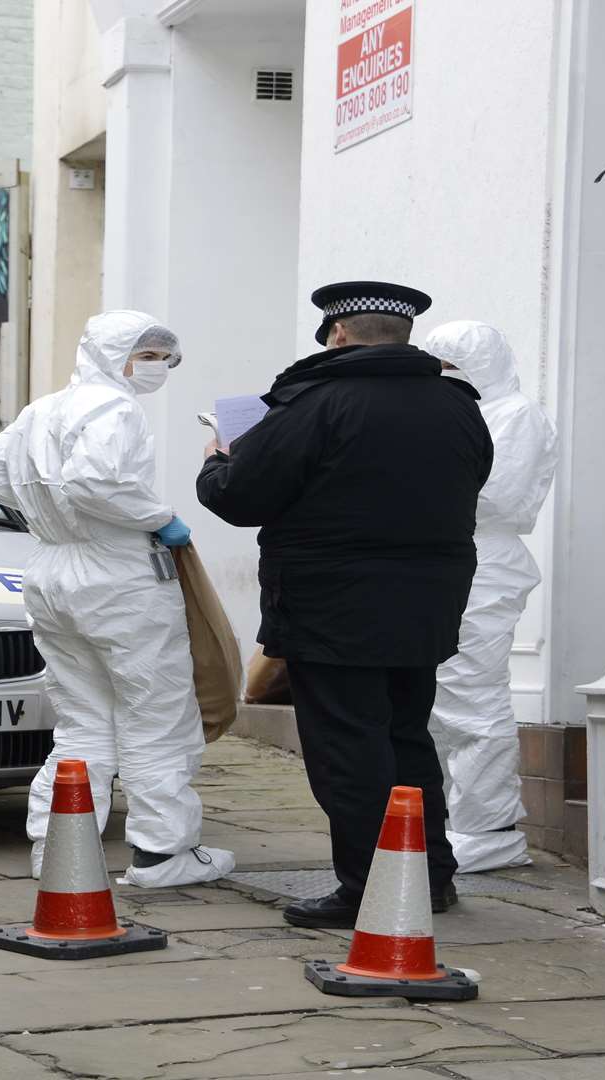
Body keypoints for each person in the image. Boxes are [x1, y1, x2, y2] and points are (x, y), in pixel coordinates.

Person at [196, 282, 491, 928]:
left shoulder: (313, 402)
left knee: (348, 751)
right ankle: (429, 877)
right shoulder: (458, 405)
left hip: (333, 611)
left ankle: (368, 889)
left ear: (336, 334)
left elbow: (240, 497)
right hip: (426, 608)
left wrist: (219, 458)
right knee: (407, 738)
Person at [0, 310, 235, 889]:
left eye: (164, 355)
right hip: (118, 576)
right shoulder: (116, 409)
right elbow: (93, 482)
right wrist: (160, 518)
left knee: (83, 722)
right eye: (149, 354)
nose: (158, 366)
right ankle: (164, 853)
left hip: (51, 570)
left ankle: (59, 849)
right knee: (156, 714)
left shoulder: (43, 410)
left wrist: (46, 512)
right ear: (116, 355)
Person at [423, 321, 558, 873]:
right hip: (450, 557)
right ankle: (460, 821)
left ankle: (490, 829)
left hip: (485, 562)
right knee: (438, 700)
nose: (445, 377)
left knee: (472, 694)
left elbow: (496, 496)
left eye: (454, 366)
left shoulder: (515, 415)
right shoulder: (461, 413)